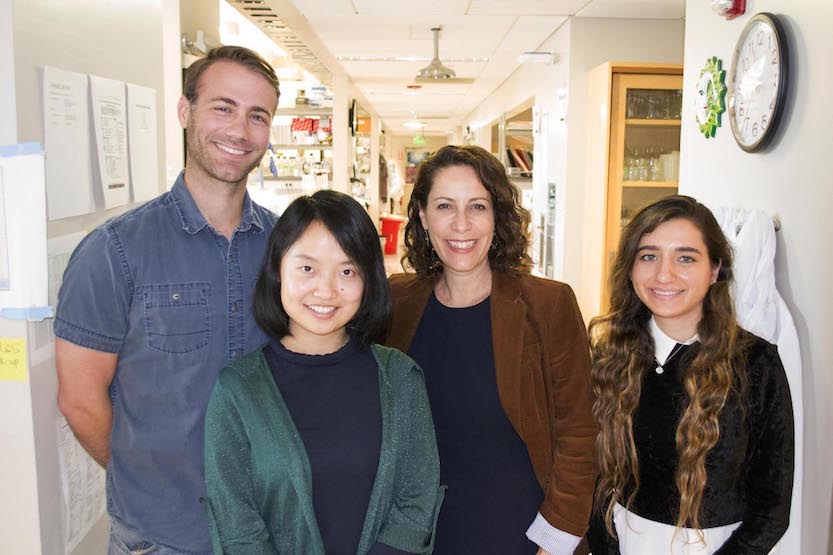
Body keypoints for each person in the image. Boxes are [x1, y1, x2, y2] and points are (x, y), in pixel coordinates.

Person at [54, 46, 280, 554]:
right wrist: (145, 477)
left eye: (257, 116)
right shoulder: (115, 251)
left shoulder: (286, 248)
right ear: (185, 111)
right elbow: (79, 398)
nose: (239, 131)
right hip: (160, 538)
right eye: (223, 107)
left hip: (266, 529)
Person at [203, 190, 442, 554]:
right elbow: (236, 526)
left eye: (347, 271)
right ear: (278, 270)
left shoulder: (399, 378)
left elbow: (416, 500)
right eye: (307, 268)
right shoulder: (238, 390)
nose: (326, 290)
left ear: (368, 281)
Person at [386, 145, 597, 555]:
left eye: (478, 207)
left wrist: (556, 541)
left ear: (498, 217)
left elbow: (580, 433)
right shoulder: (396, 302)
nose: (461, 224)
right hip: (417, 535)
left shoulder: (547, 305)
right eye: (445, 206)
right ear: (423, 218)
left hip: (521, 533)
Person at [586, 196, 794, 554]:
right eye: (648, 256)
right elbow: (596, 475)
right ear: (631, 268)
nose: (664, 274)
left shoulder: (754, 362)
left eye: (685, 258)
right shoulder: (611, 354)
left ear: (715, 270)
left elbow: (772, 507)